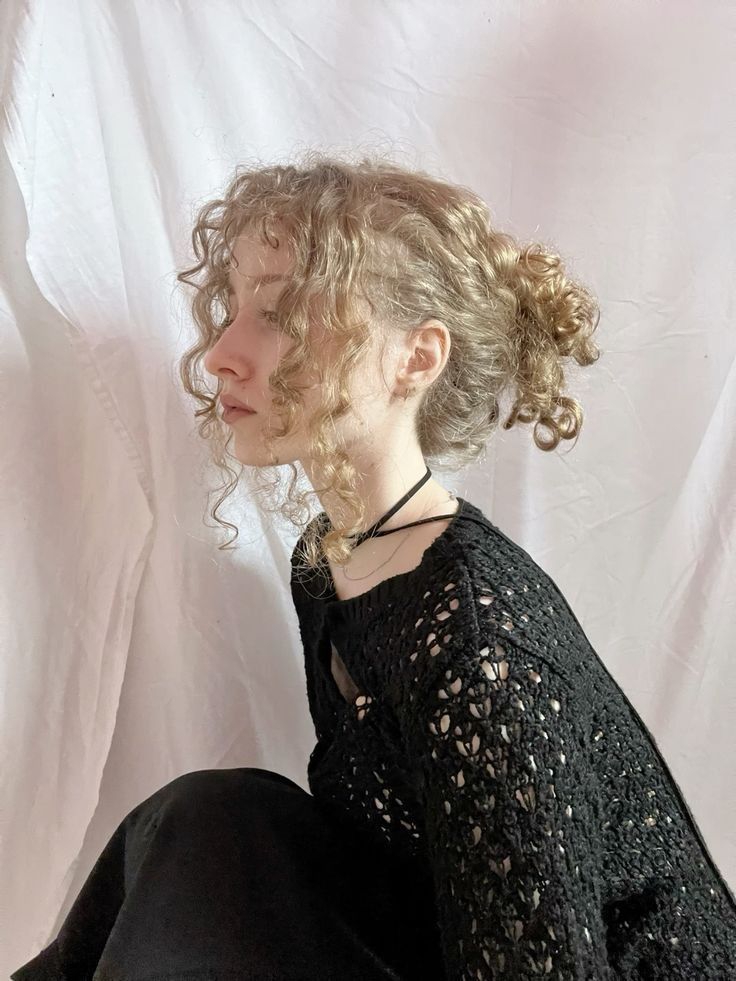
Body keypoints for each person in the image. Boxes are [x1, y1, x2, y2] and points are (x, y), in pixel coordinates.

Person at [13, 151, 736, 980]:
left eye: (279, 315)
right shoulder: (330, 561)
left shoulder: (478, 644)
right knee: (213, 820)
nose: (220, 354)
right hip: (429, 936)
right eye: (233, 309)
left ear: (416, 359)